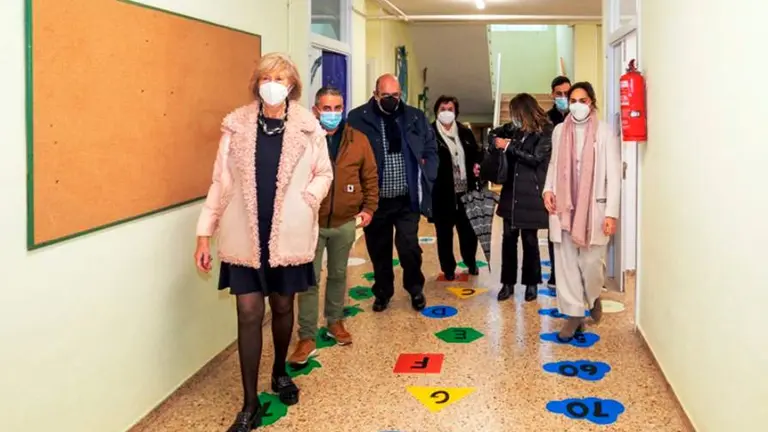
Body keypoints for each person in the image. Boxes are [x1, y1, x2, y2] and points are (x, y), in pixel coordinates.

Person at [193, 53, 333, 431]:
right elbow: (220, 182)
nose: (272, 83)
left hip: (289, 233)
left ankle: (279, 372)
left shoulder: (308, 127)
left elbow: (324, 173)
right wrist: (204, 234)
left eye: (280, 77)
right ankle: (250, 403)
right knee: (249, 313)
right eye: (266, 76)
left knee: (284, 307)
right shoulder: (236, 126)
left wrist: (308, 200)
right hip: (244, 234)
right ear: (257, 82)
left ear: (292, 86)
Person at [289, 86, 379, 365]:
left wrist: (369, 208)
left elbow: (370, 176)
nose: (332, 114)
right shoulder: (302, 140)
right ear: (316, 110)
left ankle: (335, 322)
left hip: (344, 222)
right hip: (311, 222)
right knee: (309, 280)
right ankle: (306, 336)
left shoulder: (358, 139)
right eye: (326, 108)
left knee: (339, 275)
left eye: (337, 108)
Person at [347, 74, 438, 313]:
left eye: (396, 96)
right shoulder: (357, 119)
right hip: (375, 201)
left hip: (407, 198)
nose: (391, 100)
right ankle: (383, 292)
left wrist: (429, 171)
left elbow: (430, 146)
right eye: (386, 96)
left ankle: (415, 288)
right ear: (375, 94)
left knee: (409, 246)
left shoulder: (414, 117)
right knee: (379, 249)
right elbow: (350, 156)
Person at [542, 81, 621, 340]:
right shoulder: (558, 131)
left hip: (593, 209)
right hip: (564, 207)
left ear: (591, 102)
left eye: (581, 100)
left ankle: (593, 294)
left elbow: (612, 175)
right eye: (571, 100)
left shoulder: (605, 132)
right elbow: (554, 164)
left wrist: (611, 213)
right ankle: (574, 315)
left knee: (591, 264)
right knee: (565, 263)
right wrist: (548, 190)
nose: (575, 105)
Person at [485, 93, 553, 303]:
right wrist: (495, 140)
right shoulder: (514, 130)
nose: (513, 118)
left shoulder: (546, 131)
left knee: (530, 241)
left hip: (531, 193)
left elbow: (536, 159)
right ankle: (507, 284)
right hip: (511, 193)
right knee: (508, 240)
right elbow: (494, 133)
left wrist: (508, 147)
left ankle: (531, 284)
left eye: (516, 113)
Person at [430, 95, 482, 280]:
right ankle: (448, 268)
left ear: (455, 112)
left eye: (450, 109)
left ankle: (471, 261)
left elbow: (476, 153)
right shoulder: (430, 133)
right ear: (436, 112)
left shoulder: (464, 132)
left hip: (465, 192)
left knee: (468, 233)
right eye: (442, 109)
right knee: (444, 235)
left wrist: (477, 164)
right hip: (442, 193)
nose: (446, 113)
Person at [544, 75, 572, 289]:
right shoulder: (546, 120)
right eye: (559, 94)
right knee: (555, 229)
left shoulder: (580, 116)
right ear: (552, 94)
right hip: (553, 181)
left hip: (575, 181)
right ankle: (555, 273)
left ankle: (573, 273)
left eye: (567, 93)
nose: (563, 97)